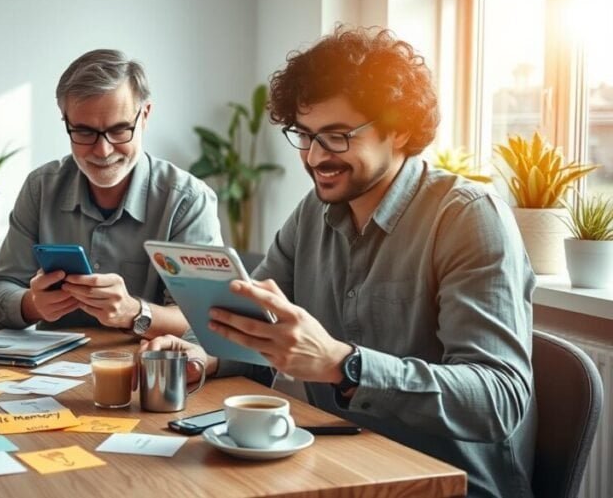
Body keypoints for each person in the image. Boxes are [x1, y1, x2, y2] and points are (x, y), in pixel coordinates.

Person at [143, 27, 536, 498]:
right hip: (338, 464)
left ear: (401, 130)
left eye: (336, 136)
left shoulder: (467, 218)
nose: (313, 157)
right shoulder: (314, 212)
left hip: (444, 482)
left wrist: (343, 365)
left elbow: (498, 397)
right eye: (304, 136)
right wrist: (200, 354)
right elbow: (256, 320)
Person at [0, 49, 221, 337]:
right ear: (65, 121)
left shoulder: (187, 200)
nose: (103, 150)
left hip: (144, 370)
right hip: (49, 370)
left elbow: (206, 320)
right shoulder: (41, 187)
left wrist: (134, 312)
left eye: (120, 130)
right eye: (84, 132)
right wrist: (33, 304)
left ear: (144, 116)